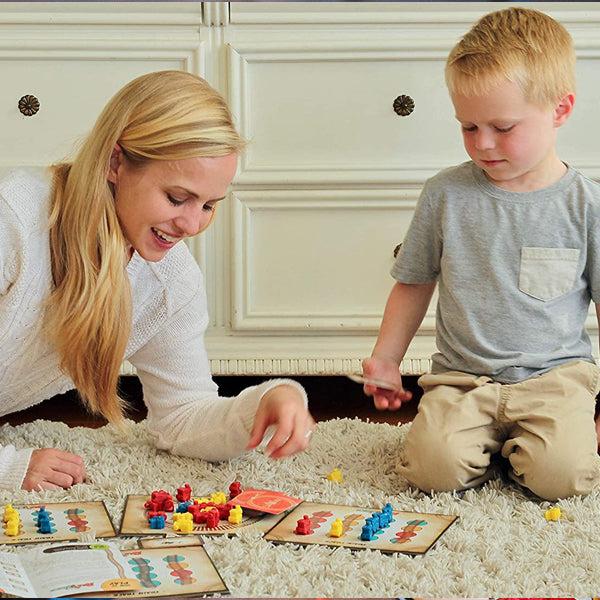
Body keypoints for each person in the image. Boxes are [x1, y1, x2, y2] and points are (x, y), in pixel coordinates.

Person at [0, 70, 314, 491]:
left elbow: (183, 416)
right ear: (116, 163)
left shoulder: (170, 282)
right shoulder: (15, 220)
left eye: (208, 205)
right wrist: (8, 466)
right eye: (177, 198)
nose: (191, 224)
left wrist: (265, 401)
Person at [362, 7, 600, 501]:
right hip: (461, 379)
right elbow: (413, 281)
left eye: (502, 127)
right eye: (468, 127)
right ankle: (485, 442)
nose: (483, 144)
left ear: (560, 110)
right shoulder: (445, 195)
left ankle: (528, 445)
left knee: (565, 478)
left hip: (554, 380)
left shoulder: (587, 206)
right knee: (432, 472)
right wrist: (386, 360)